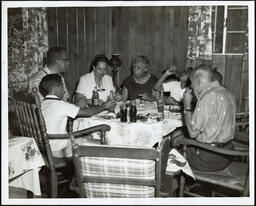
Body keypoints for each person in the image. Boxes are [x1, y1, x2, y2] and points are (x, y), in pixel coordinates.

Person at [171, 64, 236, 172]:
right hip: (227, 154)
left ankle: (183, 185)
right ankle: (201, 186)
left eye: (193, 86)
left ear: (199, 81)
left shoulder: (207, 97)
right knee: (178, 137)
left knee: (168, 153)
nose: (193, 90)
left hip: (209, 158)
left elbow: (192, 133)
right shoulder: (228, 93)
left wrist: (187, 105)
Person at [39, 74, 116, 158]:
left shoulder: (42, 104)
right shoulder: (59, 105)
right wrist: (104, 106)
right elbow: (88, 112)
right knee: (103, 142)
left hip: (46, 149)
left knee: (89, 137)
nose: (64, 91)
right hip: (59, 151)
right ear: (56, 88)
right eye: (62, 87)